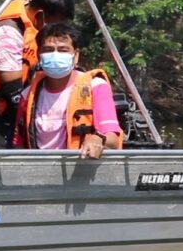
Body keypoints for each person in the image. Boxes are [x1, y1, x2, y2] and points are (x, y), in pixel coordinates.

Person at [0, 0, 75, 148]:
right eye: (56, 25)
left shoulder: (31, 16)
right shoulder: (7, 33)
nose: (57, 32)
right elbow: (12, 92)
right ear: (40, 16)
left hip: (12, 107)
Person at [12, 22, 123, 158]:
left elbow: (112, 139)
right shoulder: (28, 94)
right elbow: (19, 143)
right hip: (40, 166)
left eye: (63, 50)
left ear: (75, 56)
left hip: (80, 165)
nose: (55, 55)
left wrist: (98, 139)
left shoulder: (96, 86)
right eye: (48, 50)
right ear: (39, 55)